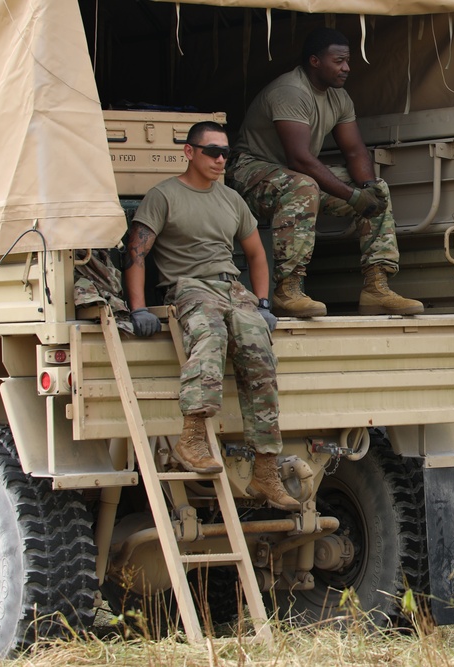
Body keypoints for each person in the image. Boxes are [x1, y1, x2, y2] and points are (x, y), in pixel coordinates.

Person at [123, 120, 300, 512]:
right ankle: (192, 437)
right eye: (212, 152)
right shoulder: (164, 195)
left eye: (225, 153)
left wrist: (262, 302)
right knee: (210, 339)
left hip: (232, 289)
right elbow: (136, 253)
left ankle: (266, 469)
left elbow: (256, 253)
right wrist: (137, 307)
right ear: (190, 152)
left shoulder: (232, 199)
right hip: (190, 286)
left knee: (261, 358)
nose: (221, 159)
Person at [228, 27, 423, 318]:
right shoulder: (290, 91)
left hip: (294, 177)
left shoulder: (339, 98)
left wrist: (367, 189)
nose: (346, 67)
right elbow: (300, 158)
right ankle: (287, 290)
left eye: (347, 60)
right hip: (248, 171)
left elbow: (355, 152)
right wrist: (351, 196)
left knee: (378, 190)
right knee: (303, 185)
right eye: (339, 60)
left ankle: (376, 287)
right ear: (315, 61)